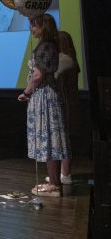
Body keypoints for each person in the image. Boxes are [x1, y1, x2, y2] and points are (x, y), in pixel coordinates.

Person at [18, 14, 70, 197]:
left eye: (34, 25)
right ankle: (54, 182)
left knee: (49, 138)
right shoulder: (47, 45)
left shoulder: (46, 46)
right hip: (43, 96)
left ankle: (55, 184)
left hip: (45, 96)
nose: (31, 29)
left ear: (43, 27)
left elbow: (38, 75)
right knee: (48, 139)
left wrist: (26, 92)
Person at [48, 31, 79, 184]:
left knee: (63, 138)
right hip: (71, 101)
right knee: (65, 138)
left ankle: (65, 173)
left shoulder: (65, 61)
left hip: (64, 102)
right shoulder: (72, 61)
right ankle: (64, 172)